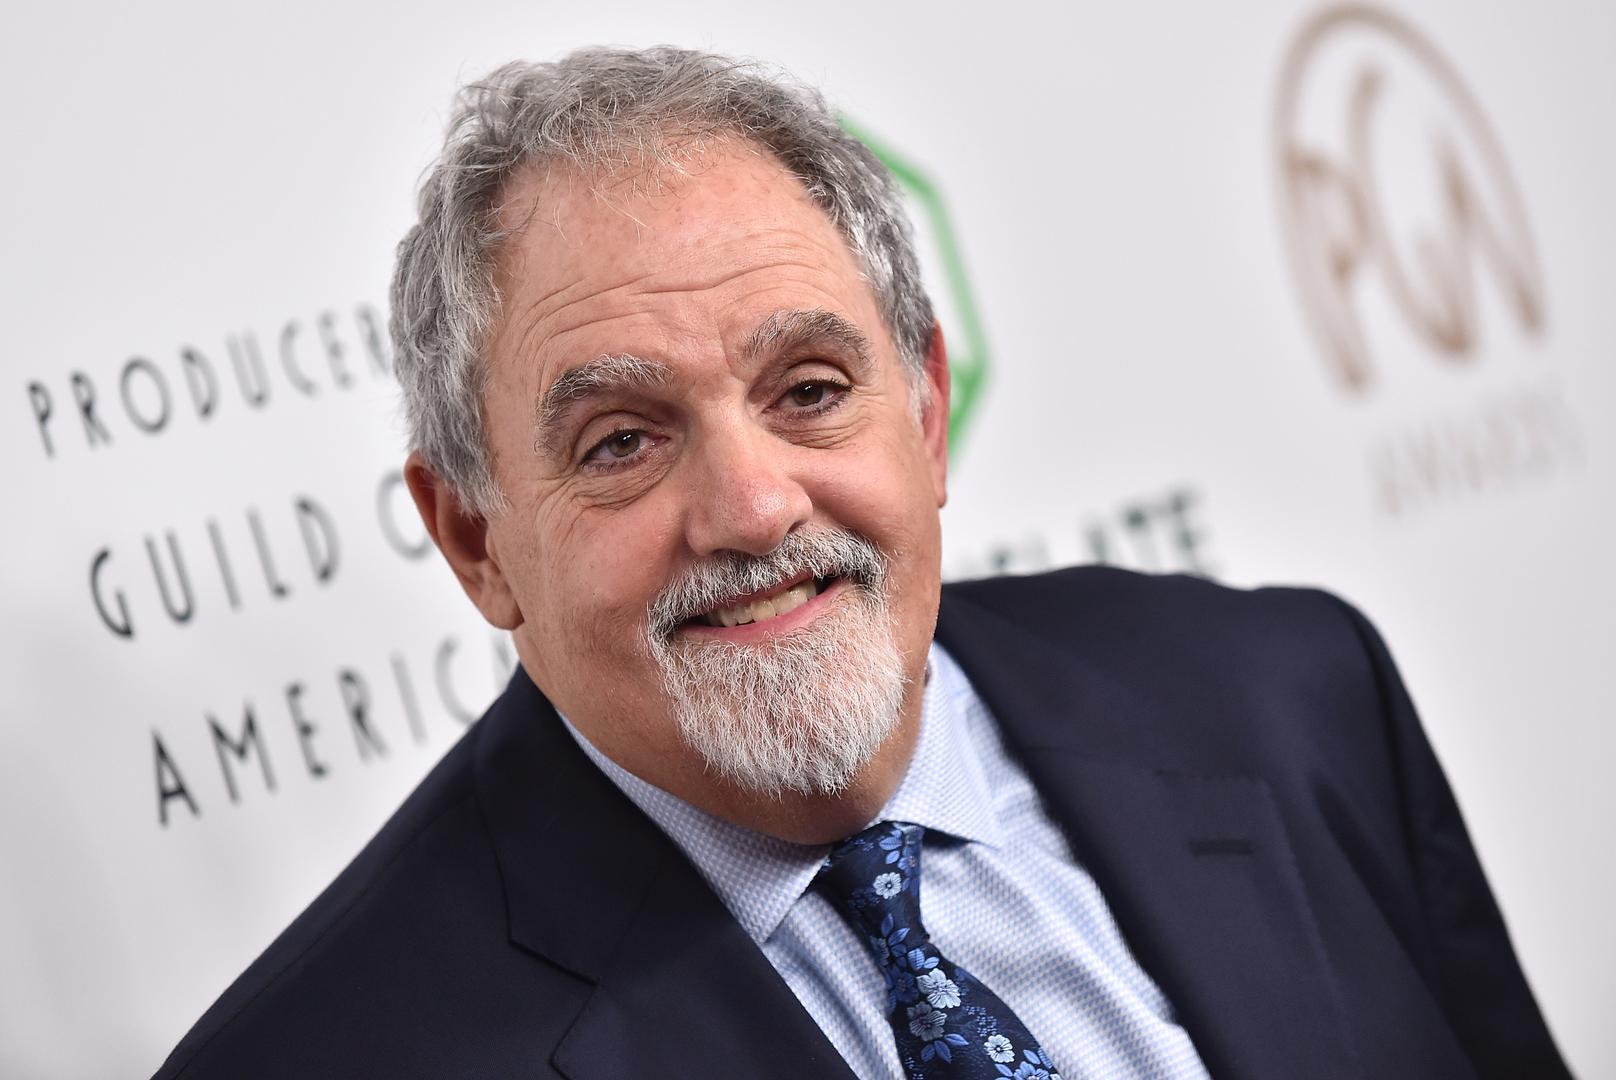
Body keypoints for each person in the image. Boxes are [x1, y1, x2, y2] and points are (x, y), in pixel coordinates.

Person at [155, 47, 1570, 1080]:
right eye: (623, 441)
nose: (754, 506)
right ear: (477, 541)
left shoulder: (1291, 694)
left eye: (812, 390)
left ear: (927, 411)